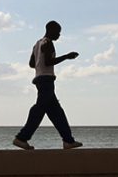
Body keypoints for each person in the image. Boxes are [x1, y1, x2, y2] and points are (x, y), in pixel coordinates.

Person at [13, 21, 83, 150]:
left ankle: (68, 141)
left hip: (41, 79)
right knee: (39, 109)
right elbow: (48, 61)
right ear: (50, 30)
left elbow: (32, 63)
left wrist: (40, 65)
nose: (59, 35)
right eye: (58, 32)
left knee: (57, 113)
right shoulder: (48, 43)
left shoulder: (37, 44)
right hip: (46, 81)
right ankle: (21, 138)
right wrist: (67, 56)